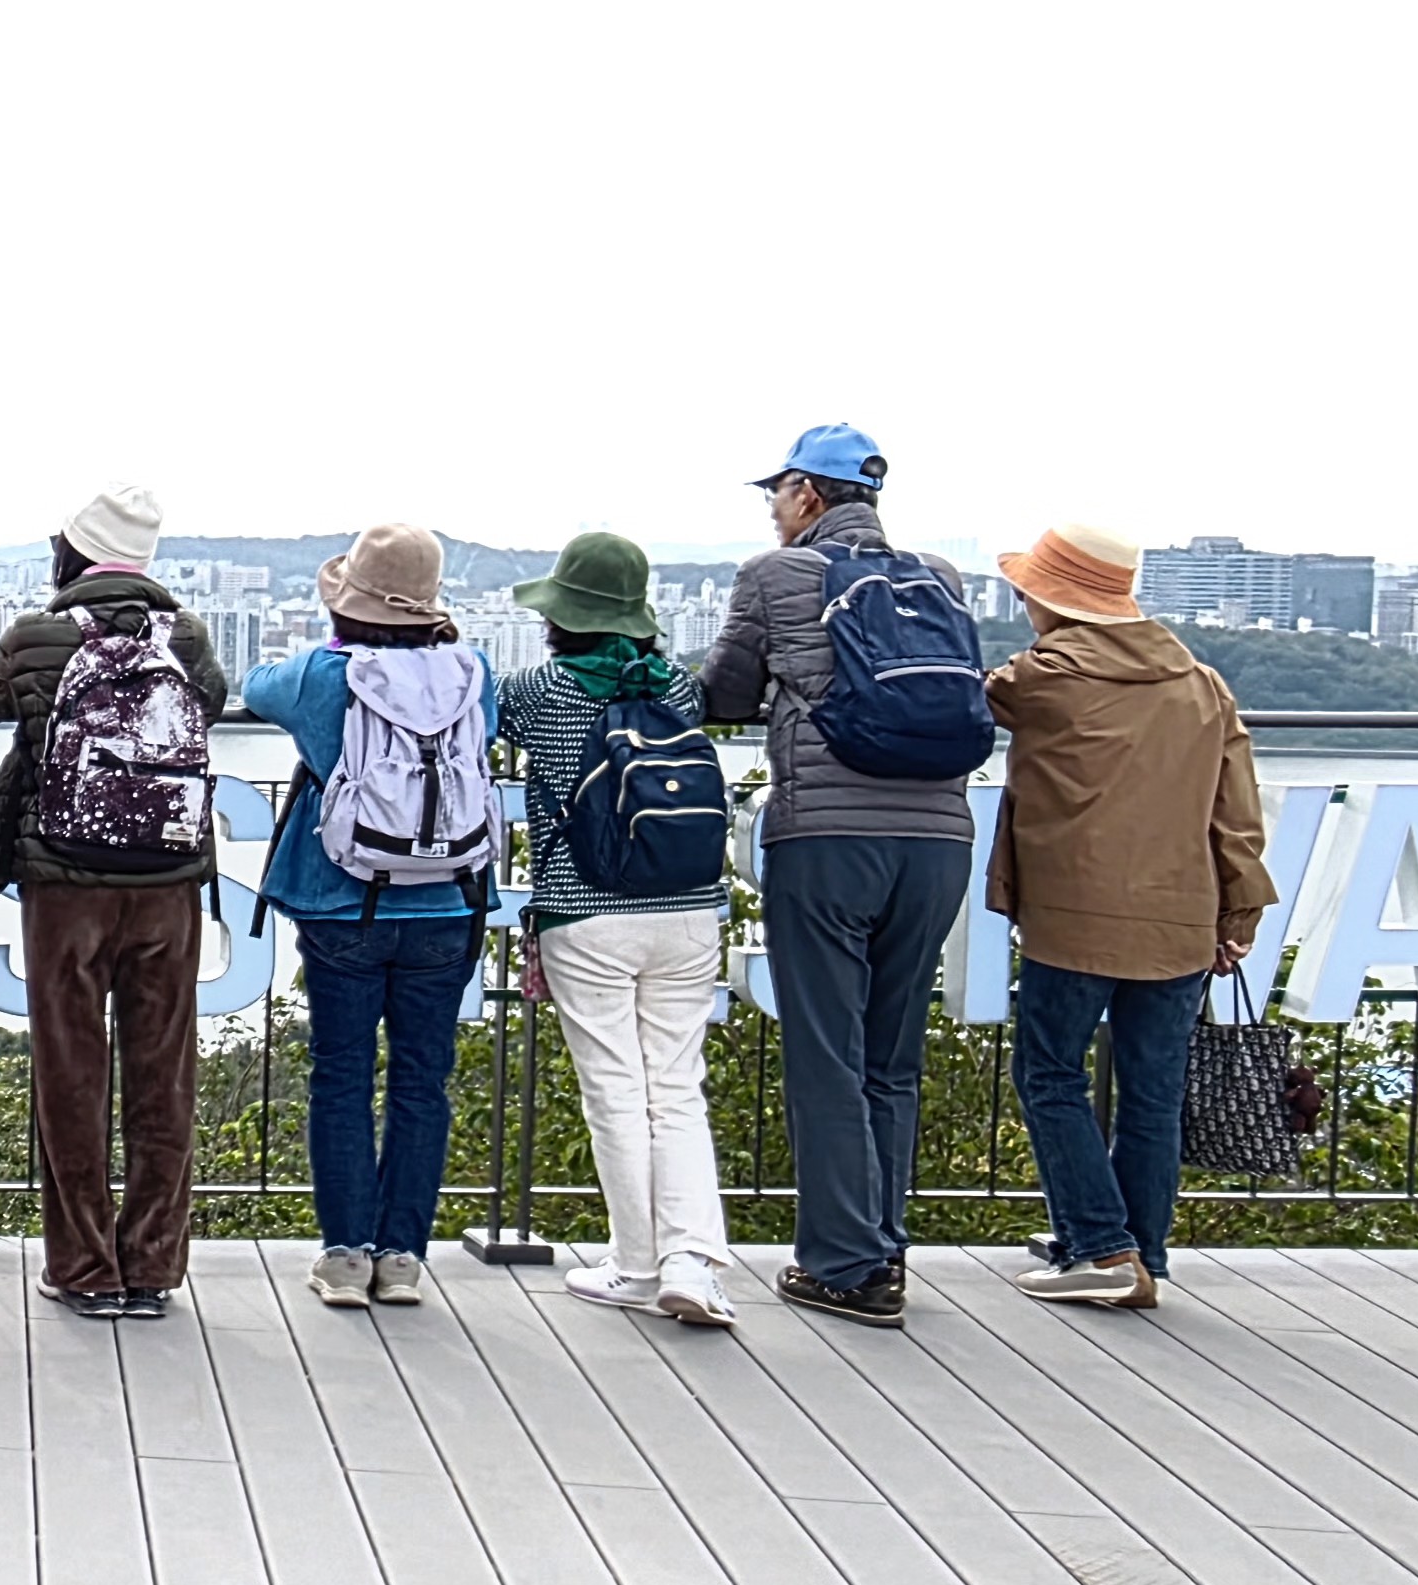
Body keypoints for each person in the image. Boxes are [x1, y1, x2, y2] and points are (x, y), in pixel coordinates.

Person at [702, 424, 977, 1328]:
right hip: (938, 843)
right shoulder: (940, 578)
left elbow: (724, 694)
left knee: (826, 1052)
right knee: (892, 1056)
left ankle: (844, 1265)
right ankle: (883, 1246)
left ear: (808, 495)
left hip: (825, 839)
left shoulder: (774, 576)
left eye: (776, 493)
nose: (772, 510)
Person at [0, 485, 227, 1322]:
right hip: (168, 885)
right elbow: (212, 703)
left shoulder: (39, 635)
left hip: (65, 883)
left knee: (71, 1072)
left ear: (71, 554)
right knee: (163, 1073)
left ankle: (83, 1267)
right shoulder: (185, 636)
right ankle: (152, 1264)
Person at [986, 523, 1272, 1309]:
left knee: (1049, 1075)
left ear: (1053, 600)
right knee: (1153, 1095)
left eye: (1028, 593)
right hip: (1182, 915)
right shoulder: (1202, 684)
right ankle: (1140, 1253)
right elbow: (1235, 811)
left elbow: (972, 698)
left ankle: (1102, 1249)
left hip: (1074, 915)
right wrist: (1237, 912)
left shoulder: (1041, 677)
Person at [246, 522, 499, 1312]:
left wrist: (329, 645)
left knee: (342, 1075)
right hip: (450, 900)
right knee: (424, 1080)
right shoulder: (473, 672)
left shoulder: (326, 675)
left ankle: (346, 1255)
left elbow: (254, 686)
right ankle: (403, 1258)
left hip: (345, 900)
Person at [495, 531, 738, 1326]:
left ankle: (635, 1265)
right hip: (689, 907)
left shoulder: (541, 690)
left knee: (615, 1088)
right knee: (676, 1085)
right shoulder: (679, 688)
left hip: (587, 909)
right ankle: (691, 1262)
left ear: (561, 615)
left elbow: (488, 714)